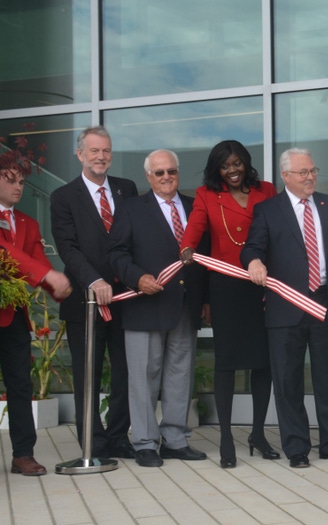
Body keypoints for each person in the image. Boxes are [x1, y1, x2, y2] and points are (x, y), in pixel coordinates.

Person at [241, 148, 328, 468]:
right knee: (288, 380)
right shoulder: (268, 210)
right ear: (286, 176)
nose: (310, 177)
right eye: (302, 172)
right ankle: (296, 448)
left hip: (327, 303)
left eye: (313, 170)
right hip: (286, 307)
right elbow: (253, 246)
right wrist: (253, 260)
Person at [179, 140, 279, 468]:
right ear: (217, 170)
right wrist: (187, 248)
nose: (232, 170)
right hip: (225, 287)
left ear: (245, 163)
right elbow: (194, 227)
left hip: (263, 284)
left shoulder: (266, 189)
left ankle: (258, 434)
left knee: (262, 362)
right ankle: (225, 437)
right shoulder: (207, 195)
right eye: (225, 166)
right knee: (227, 363)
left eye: (236, 163)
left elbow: (280, 230)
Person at [108, 149, 209, 468]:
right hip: (146, 304)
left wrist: (206, 299)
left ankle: (176, 440)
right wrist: (138, 278)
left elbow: (204, 259)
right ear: (148, 177)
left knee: (180, 374)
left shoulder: (195, 208)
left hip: (185, 305)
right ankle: (145, 442)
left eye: (171, 172)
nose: (166, 177)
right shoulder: (131, 209)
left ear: (178, 173)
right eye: (159, 172)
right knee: (143, 377)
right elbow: (116, 255)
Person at [50, 125, 138, 460]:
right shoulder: (63, 197)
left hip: (126, 300)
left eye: (106, 151)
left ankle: (118, 437)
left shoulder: (127, 189)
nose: (101, 157)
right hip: (85, 302)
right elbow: (68, 250)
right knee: (87, 374)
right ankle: (93, 441)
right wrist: (94, 281)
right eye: (94, 151)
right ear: (80, 154)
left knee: (125, 371)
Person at [0, 164, 72, 476]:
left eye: (22, 182)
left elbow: (38, 264)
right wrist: (45, 273)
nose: (19, 187)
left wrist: (61, 288)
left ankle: (23, 454)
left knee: (21, 384)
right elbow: (0, 250)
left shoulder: (27, 222)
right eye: (10, 180)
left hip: (11, 314)